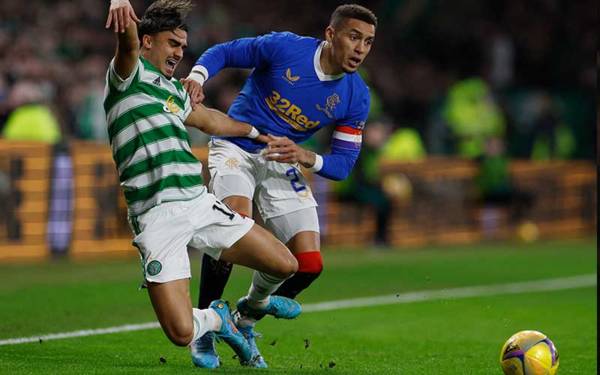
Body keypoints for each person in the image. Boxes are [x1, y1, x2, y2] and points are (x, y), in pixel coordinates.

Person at [102, 0, 302, 366]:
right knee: (180, 333)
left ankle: (249, 308)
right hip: (156, 216)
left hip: (198, 202)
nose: (179, 52)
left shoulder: (175, 92)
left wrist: (258, 133)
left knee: (285, 264)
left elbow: (212, 121)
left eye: (182, 45)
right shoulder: (127, 77)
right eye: (172, 43)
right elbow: (126, 44)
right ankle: (215, 319)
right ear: (148, 42)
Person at [182, 4, 377, 368]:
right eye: (354, 37)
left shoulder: (356, 95)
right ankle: (205, 327)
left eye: (367, 42)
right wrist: (197, 75)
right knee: (232, 226)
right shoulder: (286, 48)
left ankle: (247, 315)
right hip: (236, 145)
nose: (360, 48)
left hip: (282, 159)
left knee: (310, 263)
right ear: (331, 34)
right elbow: (225, 52)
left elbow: (344, 164)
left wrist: (306, 157)